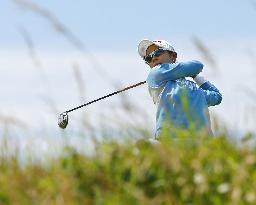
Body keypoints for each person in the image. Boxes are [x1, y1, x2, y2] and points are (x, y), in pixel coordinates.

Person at [138, 39, 222, 138]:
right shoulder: (155, 74)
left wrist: (196, 77)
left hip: (201, 145)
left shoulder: (194, 89)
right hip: (169, 141)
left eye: (158, 52)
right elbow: (196, 66)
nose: (153, 58)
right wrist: (190, 72)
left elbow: (217, 96)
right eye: (148, 58)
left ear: (173, 56)